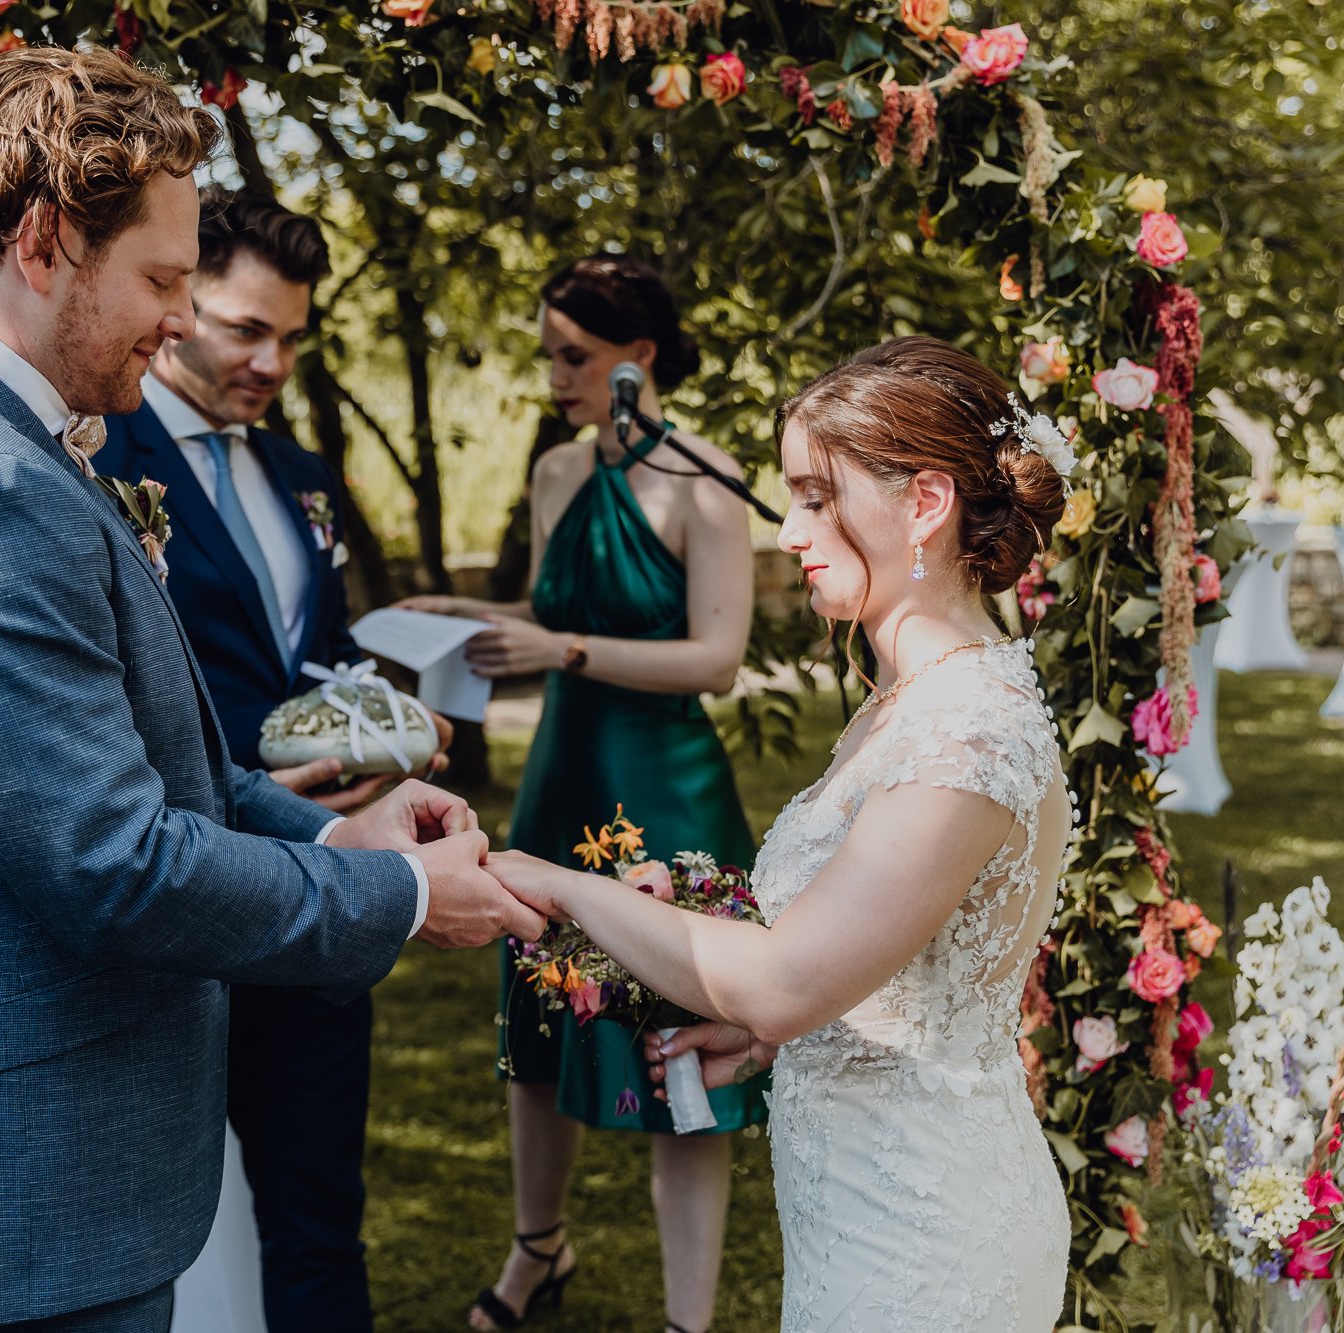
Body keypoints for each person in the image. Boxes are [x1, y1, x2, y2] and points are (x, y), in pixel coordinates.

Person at [0, 48, 540, 1333]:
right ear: (44, 240)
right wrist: (399, 895)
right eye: (165, 278)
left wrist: (331, 830)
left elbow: (155, 754)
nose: (182, 318)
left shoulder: (6, 442)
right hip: (16, 1181)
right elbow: (111, 863)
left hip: (53, 1167)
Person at [487, 335, 1075, 1331]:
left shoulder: (965, 729)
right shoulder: (906, 703)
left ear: (922, 503)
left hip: (929, 1237)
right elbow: (891, 968)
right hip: (858, 1207)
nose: (790, 530)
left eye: (815, 495)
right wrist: (773, 1042)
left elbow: (787, 976)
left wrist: (553, 884)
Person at [401, 255, 761, 1333]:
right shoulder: (556, 473)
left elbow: (714, 659)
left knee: (678, 1045)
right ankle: (535, 1251)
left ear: (634, 360)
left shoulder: (705, 478)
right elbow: (554, 610)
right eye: (548, 353)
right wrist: (462, 613)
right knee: (537, 1027)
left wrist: (552, 646)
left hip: (664, 784)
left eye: (573, 355)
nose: (553, 374)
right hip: (566, 776)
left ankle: (687, 1319)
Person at [92, 188, 429, 1333]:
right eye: (246, 328)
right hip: (180, 889)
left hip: (321, 887)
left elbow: (317, 655)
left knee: (318, 1205)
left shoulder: (303, 478)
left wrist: (367, 734)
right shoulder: (95, 461)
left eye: (291, 335)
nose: (272, 360)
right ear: (178, 303)